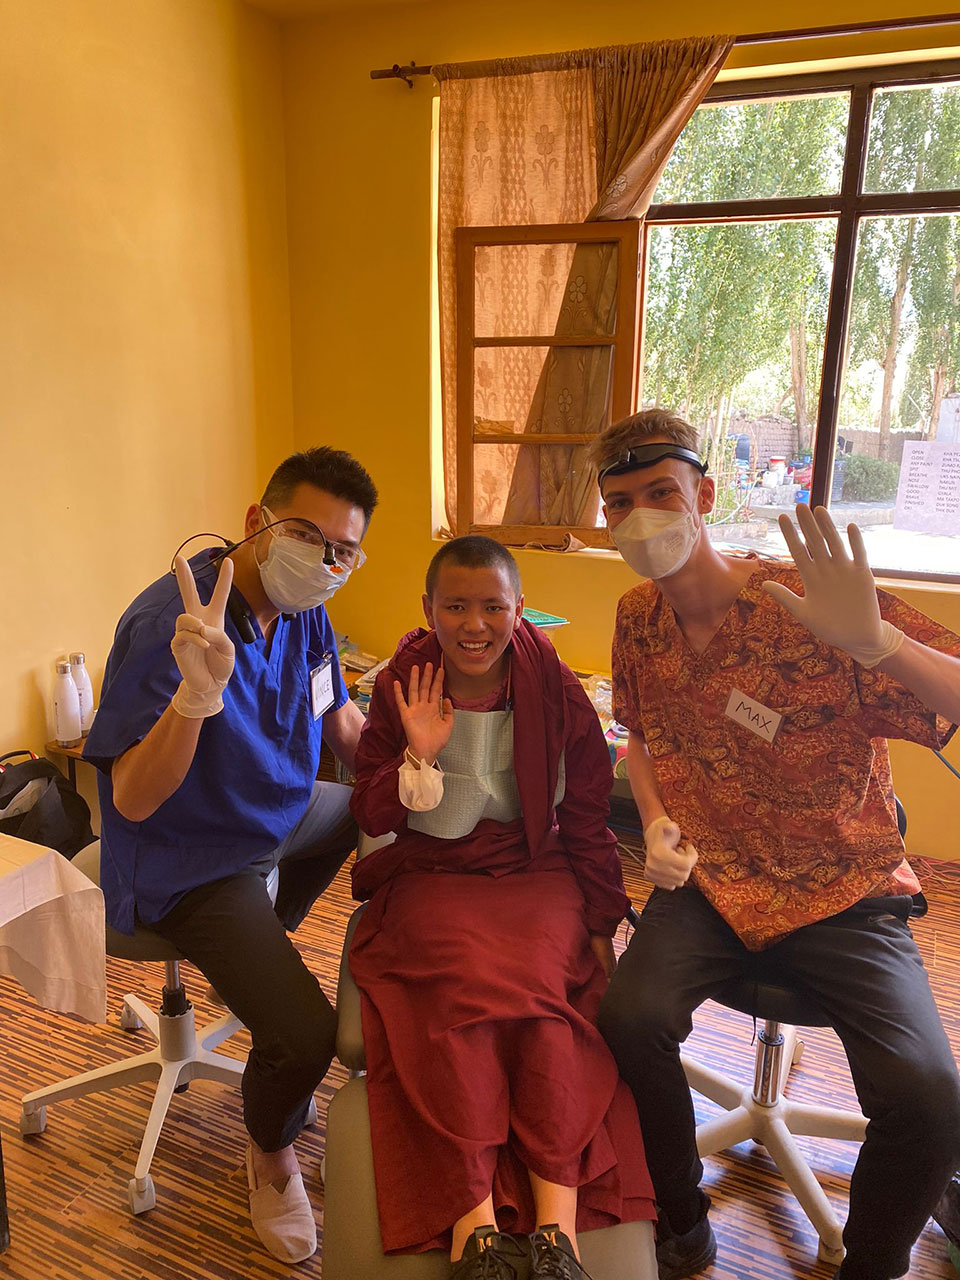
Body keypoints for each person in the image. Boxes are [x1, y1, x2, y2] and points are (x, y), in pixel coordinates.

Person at [591, 408, 960, 1280]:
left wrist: (878, 640)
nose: (641, 518)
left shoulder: (807, 606)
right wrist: (654, 823)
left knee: (928, 1096)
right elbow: (637, 732)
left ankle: (871, 1263)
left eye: (660, 494)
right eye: (619, 504)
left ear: (705, 496)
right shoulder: (637, 616)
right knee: (628, 1019)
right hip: (708, 883)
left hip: (841, 889)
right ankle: (681, 1218)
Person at [83, 446, 378, 1264]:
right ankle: (269, 1153)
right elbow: (135, 800)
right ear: (256, 524)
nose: (323, 560)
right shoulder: (169, 624)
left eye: (343, 550)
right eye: (304, 533)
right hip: (189, 861)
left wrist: (415, 761)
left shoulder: (306, 605)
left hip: (272, 820)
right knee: (308, 1035)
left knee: (369, 814)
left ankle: (258, 953)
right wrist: (194, 697)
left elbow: (340, 727)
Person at [348, 536, 656, 1280]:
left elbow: (585, 814)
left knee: (549, 998)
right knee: (455, 996)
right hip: (434, 874)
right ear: (428, 609)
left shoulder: (556, 691)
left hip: (535, 870)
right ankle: (474, 1228)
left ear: (522, 612)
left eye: (493, 606)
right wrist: (416, 756)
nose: (475, 624)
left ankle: (559, 1232)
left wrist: (600, 919)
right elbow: (371, 806)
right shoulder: (401, 684)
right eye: (456, 606)